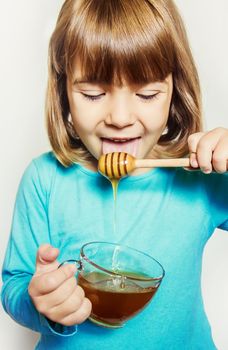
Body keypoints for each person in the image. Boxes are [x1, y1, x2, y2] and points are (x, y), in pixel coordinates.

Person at [1, 0, 228, 349]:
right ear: (63, 90)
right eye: (93, 94)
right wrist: (39, 301)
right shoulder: (44, 179)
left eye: (147, 93)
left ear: (174, 89)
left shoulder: (200, 176)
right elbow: (15, 282)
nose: (120, 117)